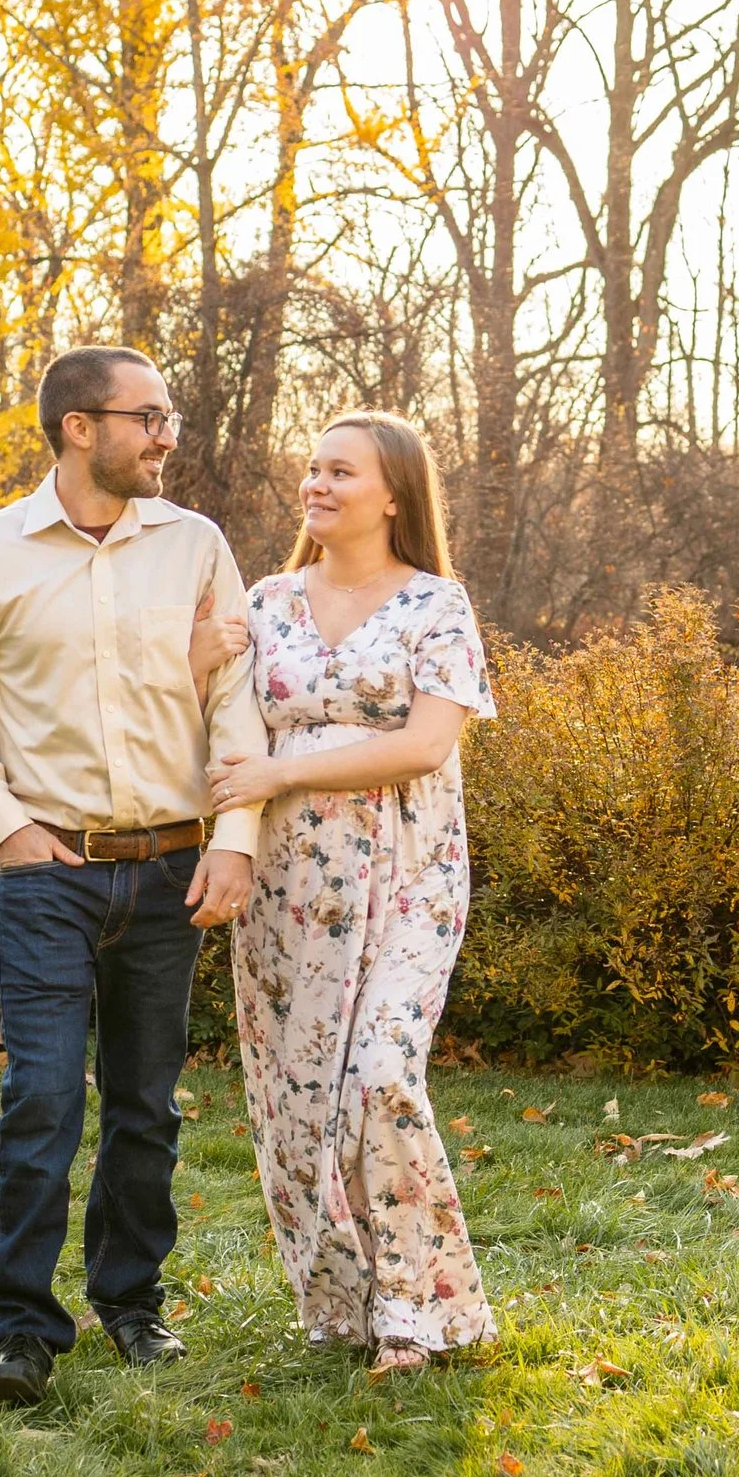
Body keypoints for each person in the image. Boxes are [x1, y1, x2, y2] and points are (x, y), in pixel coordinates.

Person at [0, 345, 264, 1410]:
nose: (167, 436)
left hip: (169, 869)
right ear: (79, 426)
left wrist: (234, 832)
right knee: (41, 1098)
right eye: (149, 417)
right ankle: (20, 1326)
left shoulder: (196, 545)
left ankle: (130, 1300)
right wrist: (6, 828)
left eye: (170, 416)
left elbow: (234, 699)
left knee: (146, 1105)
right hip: (46, 873)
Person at [194, 410, 498, 1376]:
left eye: (341, 471)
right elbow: (226, 720)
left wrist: (281, 777)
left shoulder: (437, 604)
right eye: (313, 468)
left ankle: (421, 1304)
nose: (316, 484)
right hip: (289, 888)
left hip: (407, 876)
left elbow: (426, 743)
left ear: (393, 495)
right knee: (297, 1100)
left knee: (377, 1076)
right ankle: (343, 1298)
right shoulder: (267, 600)